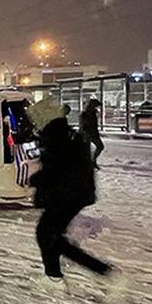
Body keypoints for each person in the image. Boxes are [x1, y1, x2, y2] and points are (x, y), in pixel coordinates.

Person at [30, 111, 112, 285]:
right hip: (74, 194)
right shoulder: (68, 137)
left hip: (68, 195)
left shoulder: (57, 140)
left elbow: (55, 171)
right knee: (49, 235)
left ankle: (101, 270)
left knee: (48, 235)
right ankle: (53, 275)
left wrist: (36, 179)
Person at [80, 99, 104, 170]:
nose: (96, 108)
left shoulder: (92, 113)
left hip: (92, 133)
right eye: (95, 106)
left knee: (99, 147)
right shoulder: (85, 114)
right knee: (97, 147)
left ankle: (91, 161)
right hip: (89, 133)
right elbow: (83, 126)